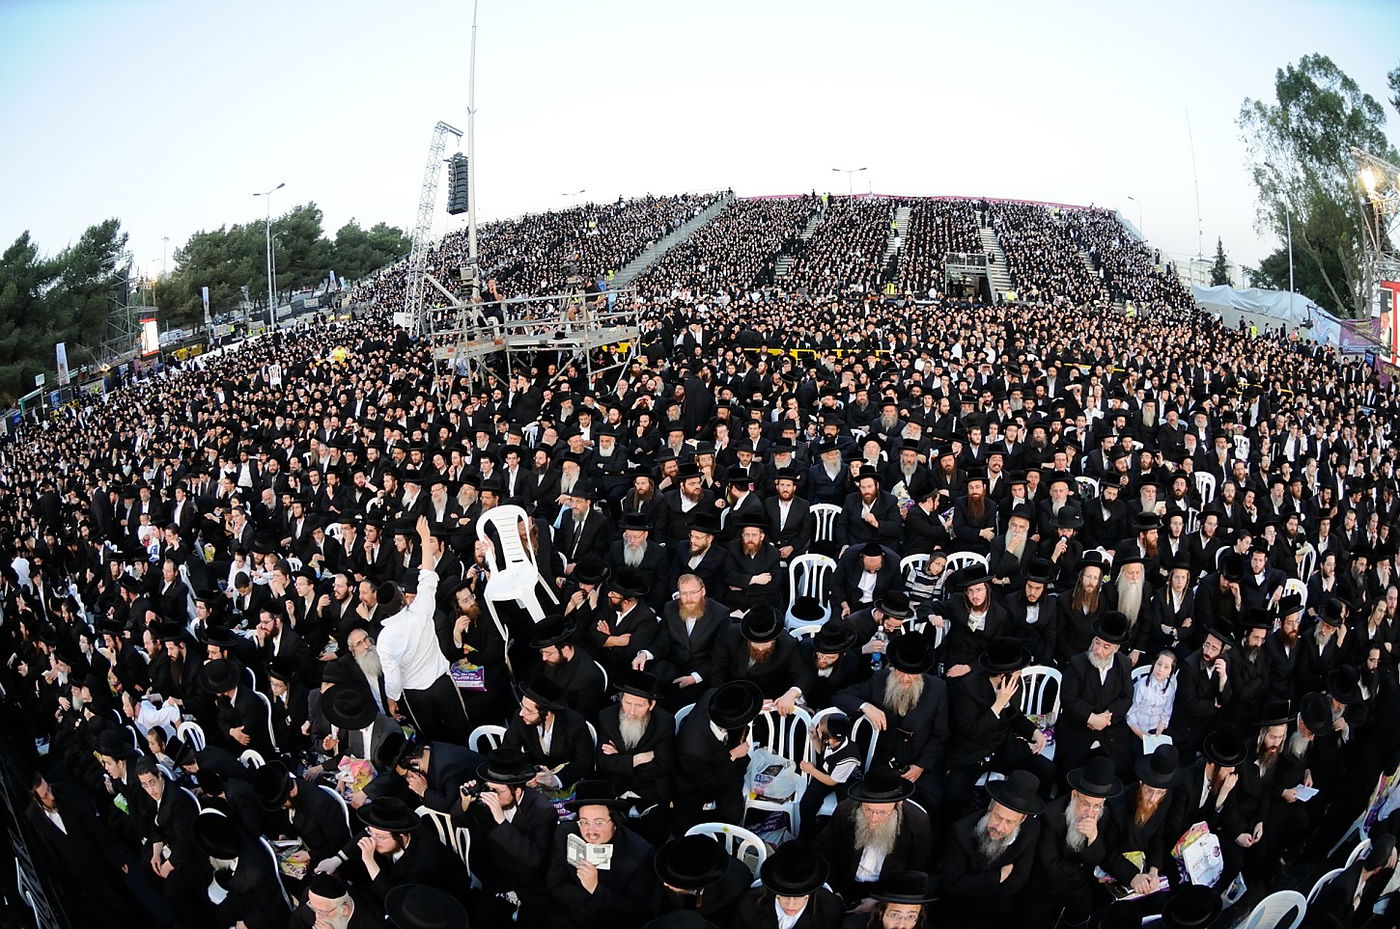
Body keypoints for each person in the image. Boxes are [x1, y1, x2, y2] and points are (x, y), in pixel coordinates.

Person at [835, 632, 949, 817]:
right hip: (883, 762)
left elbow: (941, 735)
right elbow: (841, 696)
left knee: (931, 803)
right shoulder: (879, 679)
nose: (904, 678)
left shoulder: (938, 688)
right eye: (900, 671)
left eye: (911, 674)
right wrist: (865, 706)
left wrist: (920, 766)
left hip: (920, 763)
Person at [377, 516, 470, 743]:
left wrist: (391, 700)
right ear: (402, 600)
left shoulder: (384, 638)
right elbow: (428, 575)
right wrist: (425, 538)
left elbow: (393, 678)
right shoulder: (421, 610)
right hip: (442, 683)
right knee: (461, 731)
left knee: (432, 740)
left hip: (416, 695)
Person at [944, 637, 1053, 818]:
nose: (1019, 674)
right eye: (1017, 671)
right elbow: (972, 730)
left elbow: (1014, 715)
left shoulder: (1012, 683)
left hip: (1002, 747)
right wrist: (998, 703)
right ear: (1003, 674)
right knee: (954, 795)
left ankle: (1033, 820)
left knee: (1046, 770)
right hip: (971, 753)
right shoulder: (966, 688)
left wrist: (1034, 732)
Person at [458, 748, 559, 925]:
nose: (491, 795)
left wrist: (500, 821)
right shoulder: (486, 800)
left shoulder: (543, 811)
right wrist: (464, 804)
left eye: (497, 791)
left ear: (517, 791)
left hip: (532, 887)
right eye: (489, 788)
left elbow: (534, 858)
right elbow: (460, 821)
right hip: (497, 881)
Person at [1021, 757, 1122, 929]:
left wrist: (1093, 838)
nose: (1090, 812)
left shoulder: (1102, 814)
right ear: (1075, 795)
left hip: (1080, 887)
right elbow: (1050, 866)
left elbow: (1099, 856)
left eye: (1097, 806)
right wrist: (1083, 865)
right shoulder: (1051, 816)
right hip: (1047, 889)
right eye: (1085, 804)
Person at [939, 769, 1045, 928]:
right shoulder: (961, 831)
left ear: (1022, 819)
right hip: (961, 910)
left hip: (1000, 910)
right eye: (997, 816)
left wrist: (977, 883)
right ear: (990, 807)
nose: (1000, 827)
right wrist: (997, 877)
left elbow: (1020, 880)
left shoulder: (1032, 829)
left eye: (1010, 822)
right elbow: (953, 883)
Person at [546, 780, 656, 929]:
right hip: (569, 917)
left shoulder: (639, 852)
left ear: (614, 822)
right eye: (584, 822)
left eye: (598, 823)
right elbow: (556, 884)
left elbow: (635, 910)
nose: (590, 831)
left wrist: (595, 888)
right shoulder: (565, 834)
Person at [815, 769, 933, 904]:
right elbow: (825, 851)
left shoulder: (917, 822)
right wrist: (833, 892)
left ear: (899, 804)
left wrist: (881, 901)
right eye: (868, 810)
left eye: (882, 812)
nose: (873, 818)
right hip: (843, 887)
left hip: (887, 892)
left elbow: (916, 871)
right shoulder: (846, 809)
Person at [673, 679, 765, 831]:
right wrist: (733, 755)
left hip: (724, 759)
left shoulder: (714, 696)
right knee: (729, 814)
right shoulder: (693, 749)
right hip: (695, 783)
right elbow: (711, 783)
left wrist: (751, 703)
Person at [1058, 613, 1136, 781]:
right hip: (1079, 729)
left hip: (1111, 729)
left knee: (1122, 771)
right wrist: (1091, 717)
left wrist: (1107, 717)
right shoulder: (1077, 663)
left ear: (1116, 648)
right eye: (1096, 642)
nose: (1098, 650)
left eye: (1106, 646)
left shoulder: (1124, 664)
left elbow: (1127, 697)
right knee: (1071, 775)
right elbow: (1068, 699)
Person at [732, 842, 844, 929]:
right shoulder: (748, 906)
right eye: (784, 895)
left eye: (800, 896)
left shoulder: (830, 911)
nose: (791, 904)